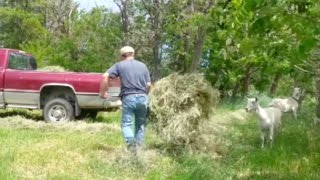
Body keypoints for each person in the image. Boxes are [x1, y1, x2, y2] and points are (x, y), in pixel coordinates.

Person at [99, 46, 151, 154]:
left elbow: (105, 76)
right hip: (143, 97)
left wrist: (103, 92)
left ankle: (131, 146)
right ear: (133, 54)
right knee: (140, 124)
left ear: (122, 56)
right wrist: (145, 95)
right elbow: (149, 85)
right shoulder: (143, 66)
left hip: (129, 97)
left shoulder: (120, 65)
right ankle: (139, 149)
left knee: (126, 124)